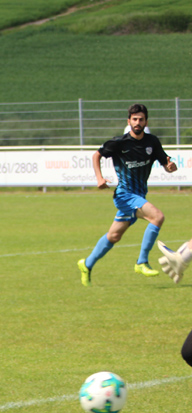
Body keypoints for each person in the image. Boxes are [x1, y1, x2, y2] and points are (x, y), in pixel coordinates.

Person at [76, 103, 178, 286]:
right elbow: (96, 155)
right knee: (157, 217)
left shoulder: (152, 142)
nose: (137, 122)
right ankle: (142, 262)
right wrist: (99, 178)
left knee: (114, 236)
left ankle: (87, 264)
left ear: (146, 121)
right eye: (134, 119)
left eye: (141, 119)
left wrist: (171, 167)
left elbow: (167, 165)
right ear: (129, 121)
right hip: (124, 195)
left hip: (138, 196)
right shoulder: (119, 143)